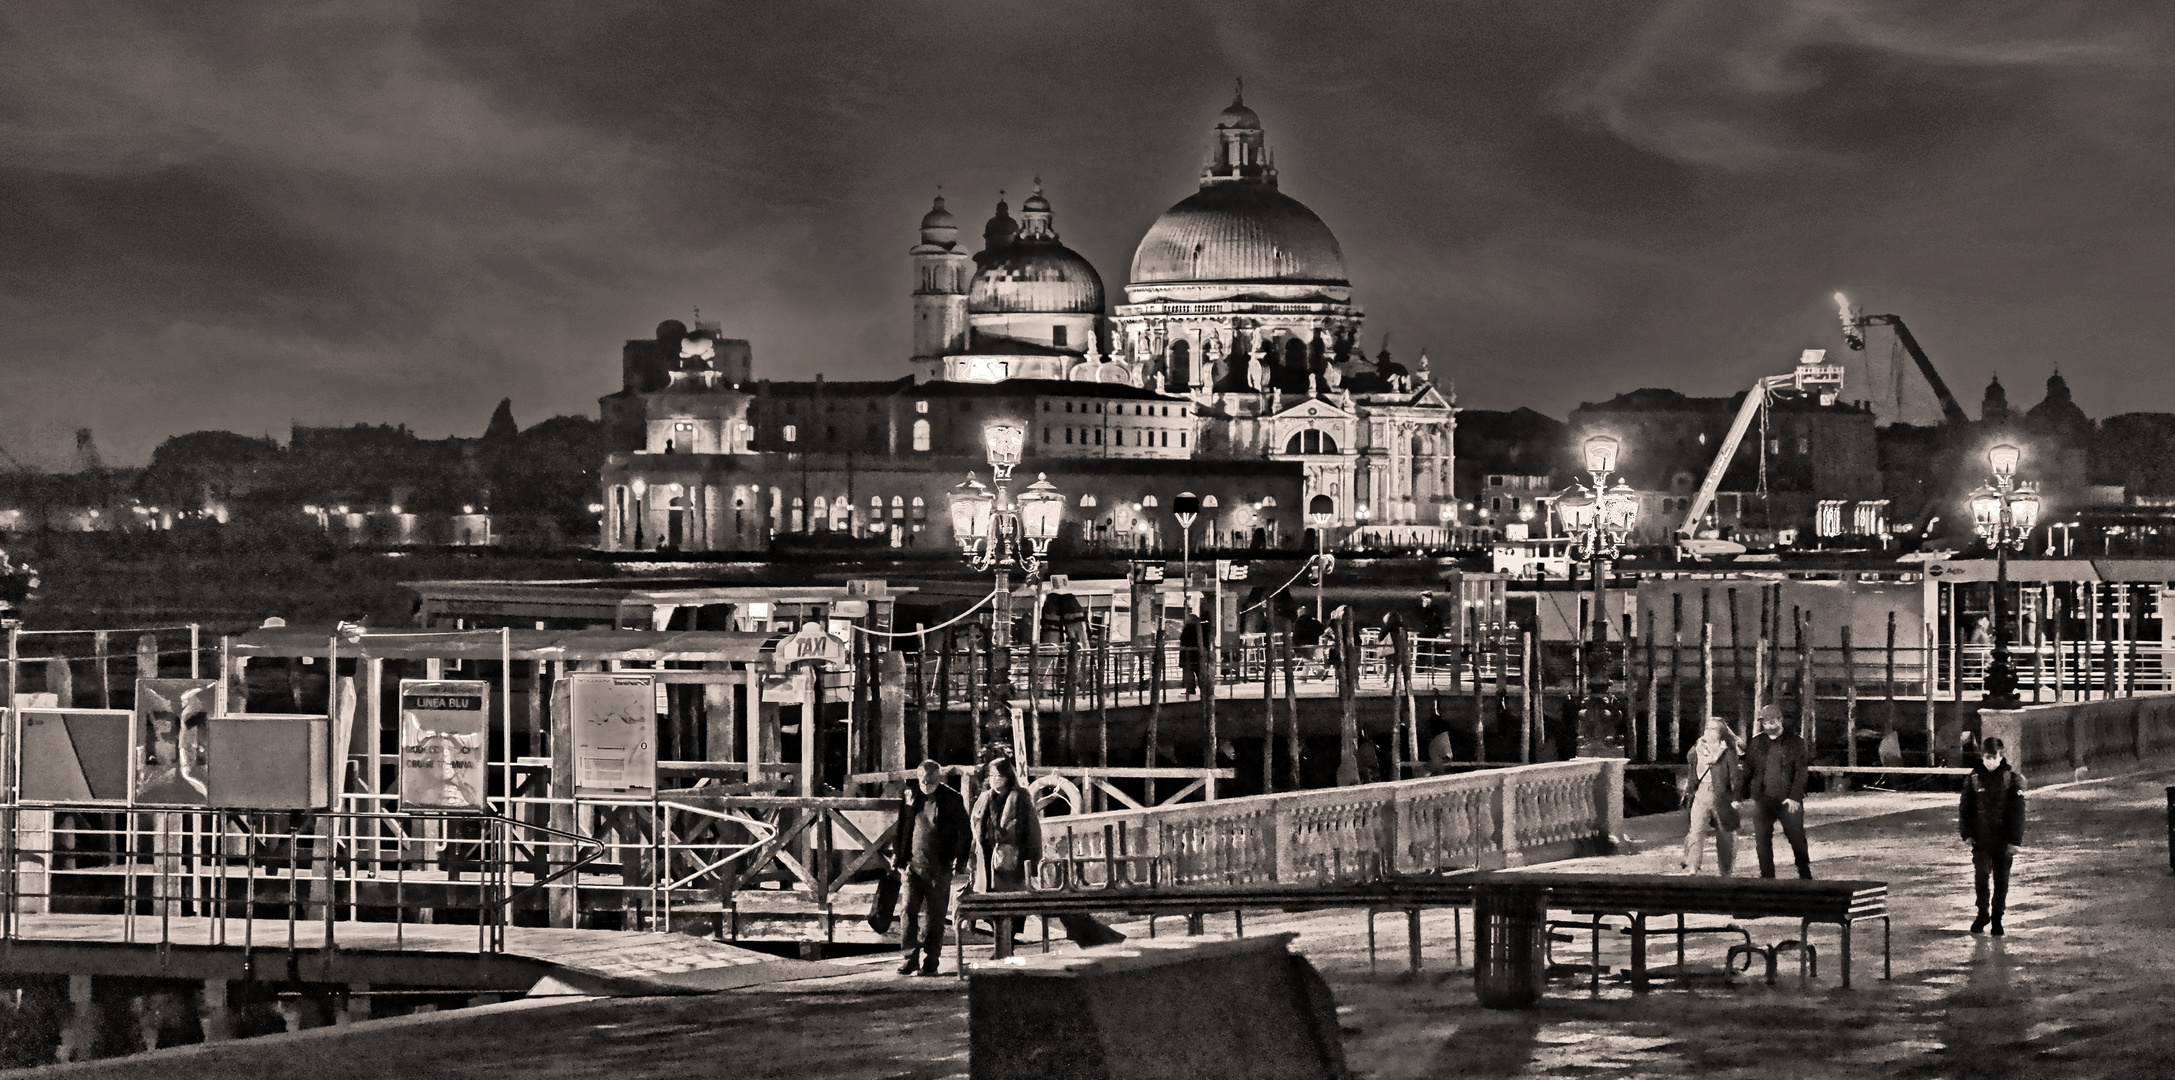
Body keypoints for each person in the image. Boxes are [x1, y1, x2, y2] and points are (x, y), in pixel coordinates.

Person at [893, 760, 970, 976]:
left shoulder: (952, 799)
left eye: (930, 779)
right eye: (922, 779)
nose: (926, 783)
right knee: (907, 911)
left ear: (939, 778)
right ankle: (909, 958)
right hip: (912, 865)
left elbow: (965, 832)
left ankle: (931, 960)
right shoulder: (910, 795)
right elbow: (901, 827)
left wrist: (960, 860)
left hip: (940, 866)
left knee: (935, 916)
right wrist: (898, 856)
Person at [971, 756, 1043, 959]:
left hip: (1013, 860)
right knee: (991, 905)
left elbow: (1033, 832)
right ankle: (1000, 946)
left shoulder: (1020, 797)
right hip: (986, 859)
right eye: (992, 776)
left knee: (1011, 905)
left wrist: (1034, 862)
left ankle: (1006, 946)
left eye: (999, 776)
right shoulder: (985, 798)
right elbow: (976, 827)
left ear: (1008, 777)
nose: (995, 780)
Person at [1736, 704, 1812, 879]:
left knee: (1797, 838)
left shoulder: (1795, 742)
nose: (1769, 727)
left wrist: (1794, 797)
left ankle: (1804, 873)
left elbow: (1801, 772)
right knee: (1762, 841)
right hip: (1763, 800)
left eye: (1772, 723)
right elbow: (1747, 770)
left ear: (1780, 720)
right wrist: (1738, 795)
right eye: (1765, 724)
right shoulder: (1757, 742)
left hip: (1788, 801)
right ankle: (1767, 877)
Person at [1959, 736, 2025, 935]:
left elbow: (2018, 813)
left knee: (2001, 882)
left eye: (1992, 756)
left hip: (2003, 842)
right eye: (1986, 756)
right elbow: (1965, 808)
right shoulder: (1973, 778)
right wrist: (1966, 834)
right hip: (1981, 840)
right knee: (1981, 878)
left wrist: (2015, 841)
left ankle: (1997, 918)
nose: (1989, 760)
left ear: (2000, 755)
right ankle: (1982, 913)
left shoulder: (2012, 779)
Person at [1681, 718, 1742, 875]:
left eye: (1713, 729)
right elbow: (1691, 767)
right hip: (1701, 792)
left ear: (1721, 733)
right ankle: (1693, 867)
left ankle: (1726, 871)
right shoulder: (1697, 749)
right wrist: (1688, 790)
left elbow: (1735, 776)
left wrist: (1735, 798)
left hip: (1721, 795)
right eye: (1707, 728)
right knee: (1696, 831)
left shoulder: (1727, 752)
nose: (1708, 731)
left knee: (1725, 834)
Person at [1179, 612, 1204, 697]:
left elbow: (1184, 640)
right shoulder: (1199, 629)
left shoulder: (1189, 629)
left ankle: (1190, 689)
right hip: (1196, 654)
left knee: (1189, 673)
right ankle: (1203, 689)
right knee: (1198, 672)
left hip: (1188, 654)